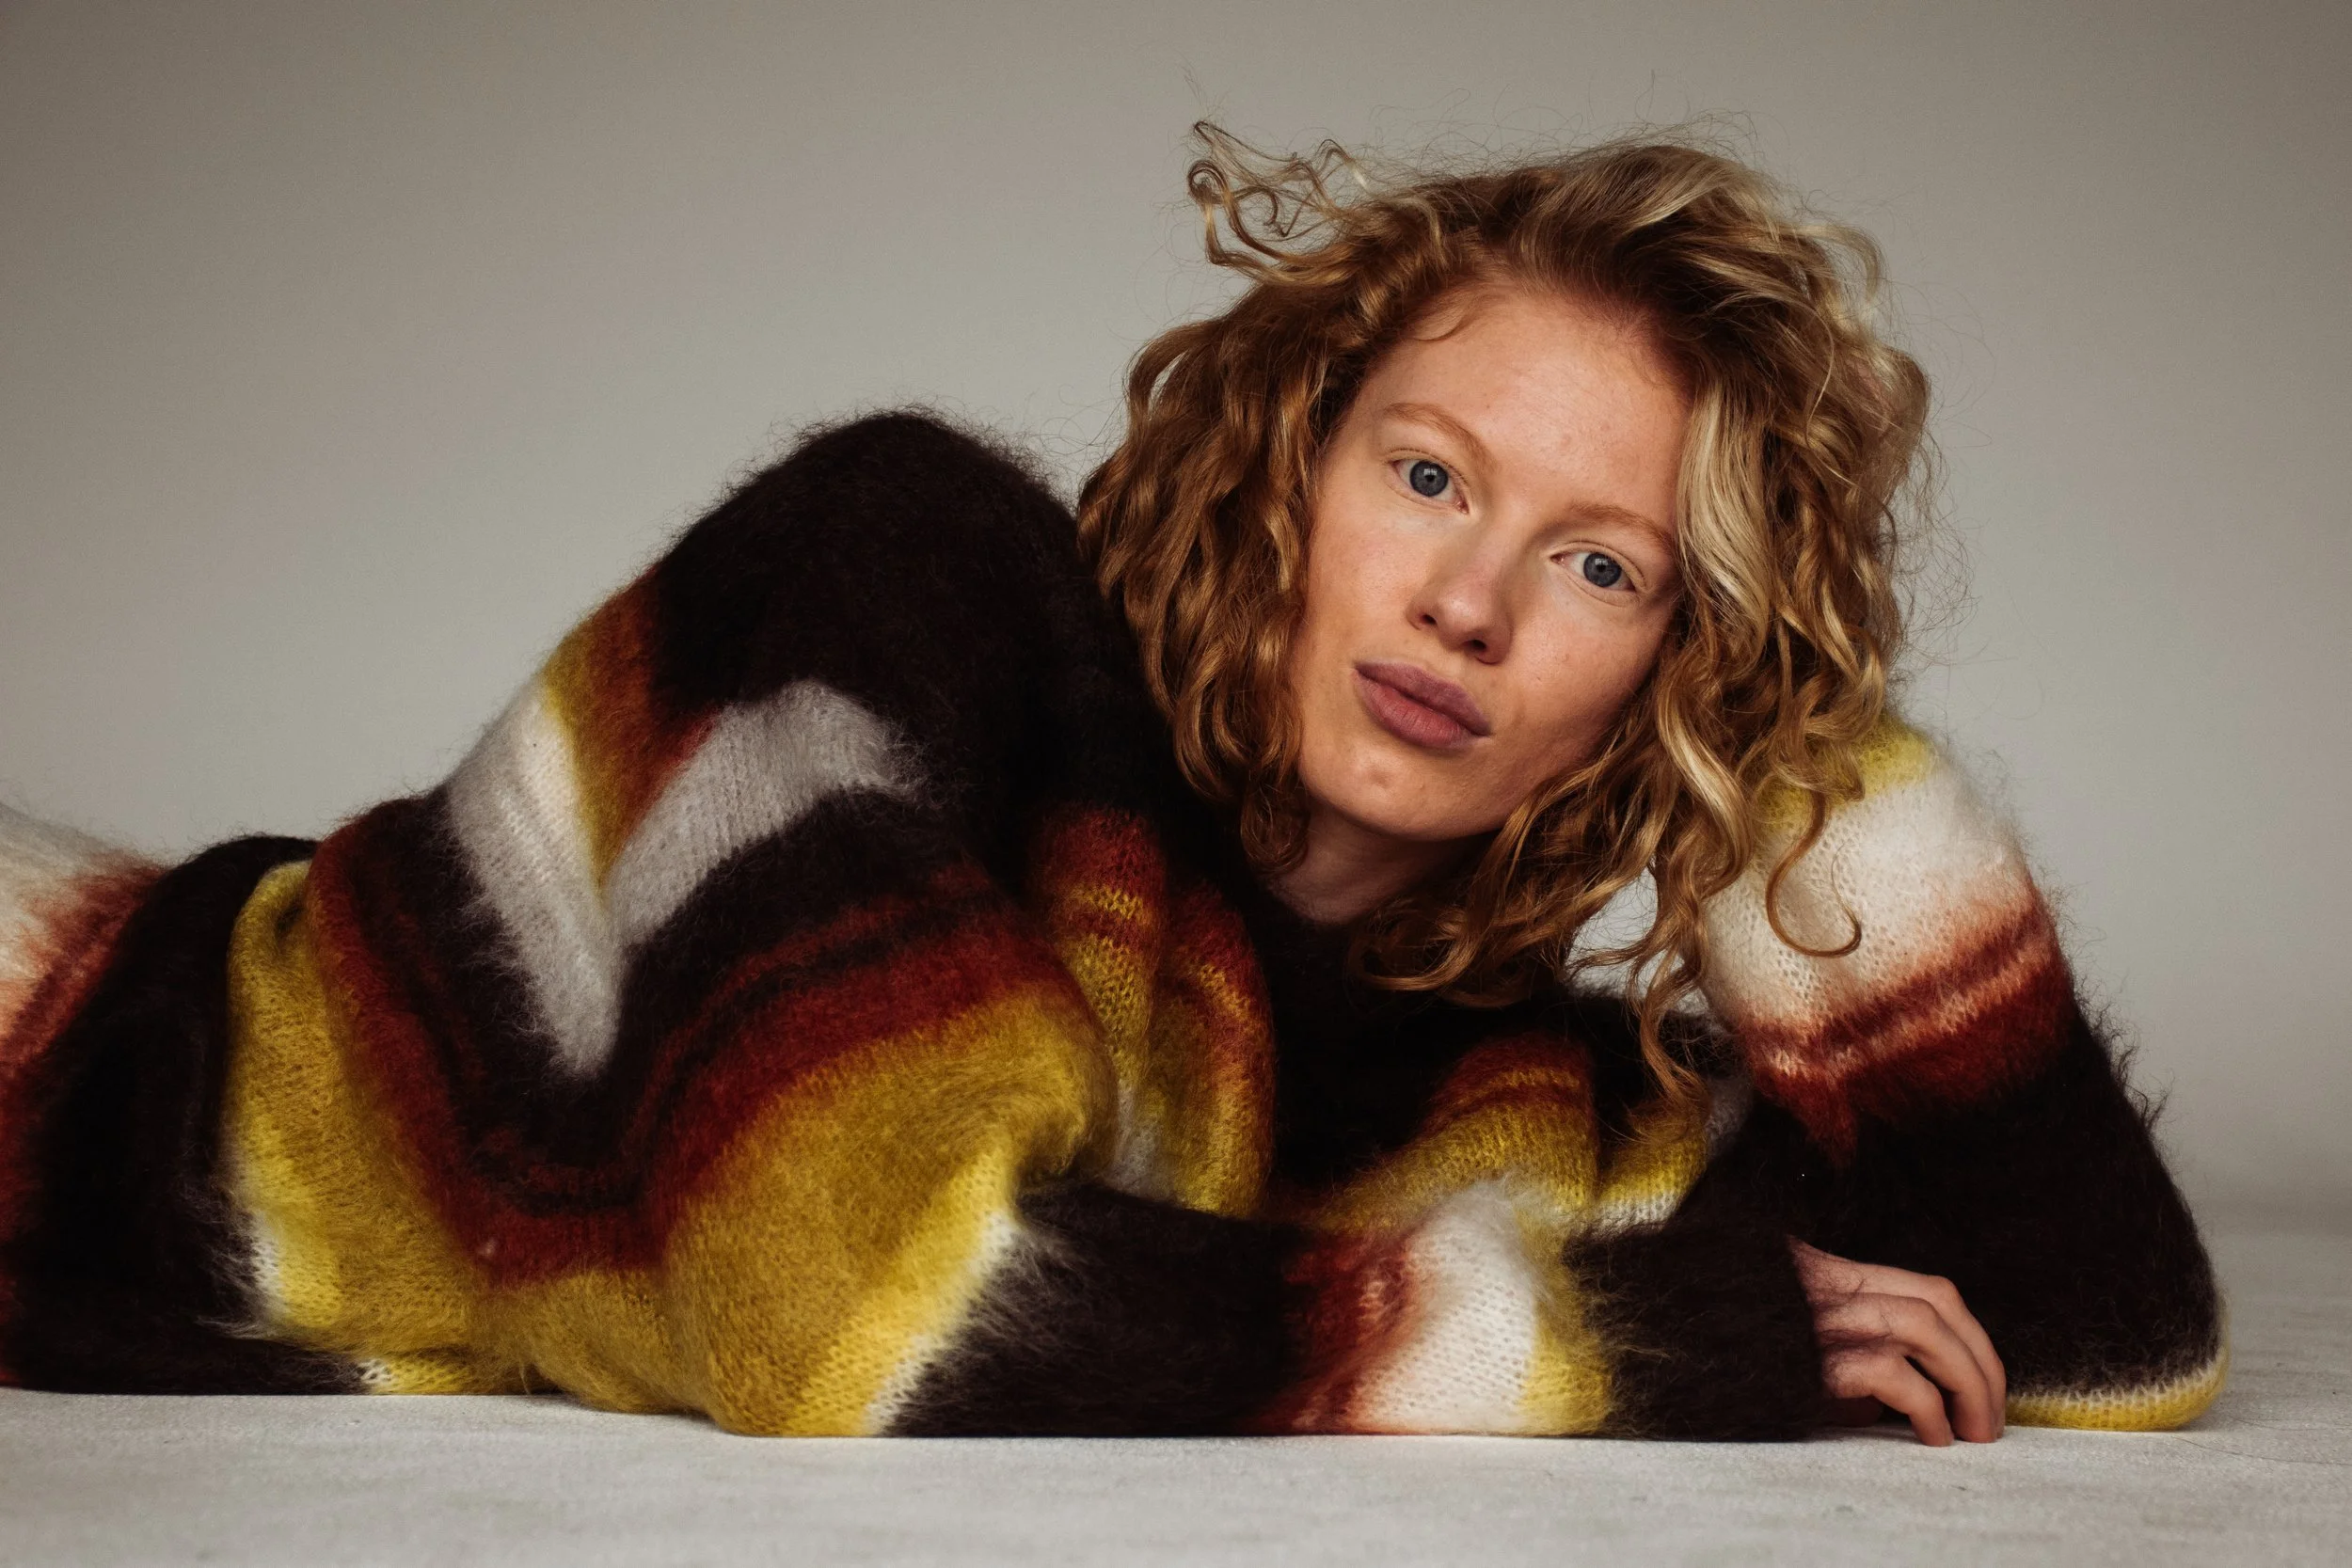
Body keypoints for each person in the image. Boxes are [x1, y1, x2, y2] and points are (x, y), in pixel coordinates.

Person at [0, 127, 2222, 1441]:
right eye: (1424, 472)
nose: (1463, 599)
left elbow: (2105, 1341)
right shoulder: (901, 576)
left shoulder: (1518, 1094)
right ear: (1288, 456)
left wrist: (1798, 760)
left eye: (1597, 564)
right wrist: (1627, 1342)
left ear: (1667, 664)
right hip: (68, 1049)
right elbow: (846, 1303)